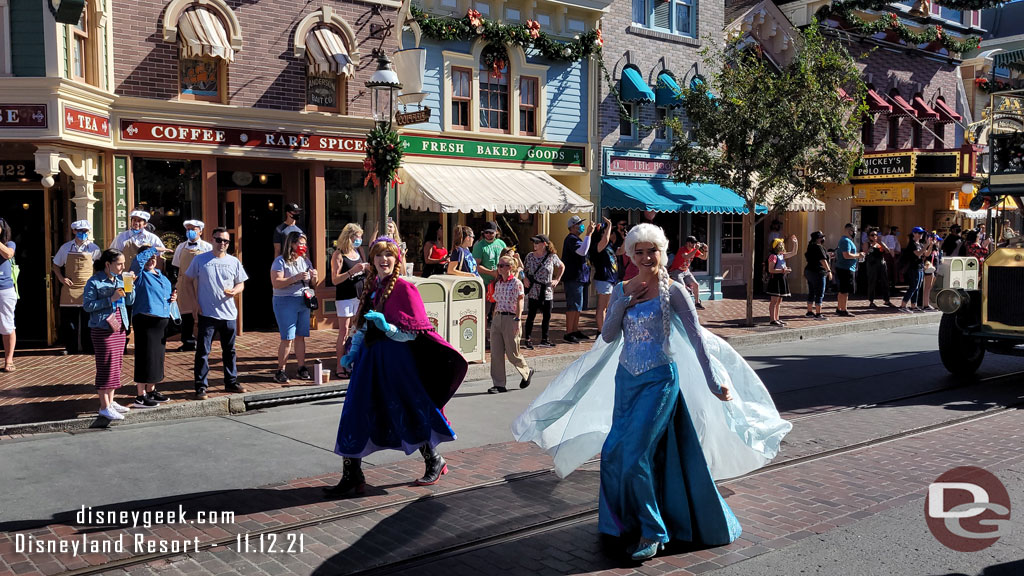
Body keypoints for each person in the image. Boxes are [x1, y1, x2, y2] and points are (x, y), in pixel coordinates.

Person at [514, 223, 791, 562]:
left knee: (635, 456)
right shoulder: (621, 289)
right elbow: (609, 337)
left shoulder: (673, 290)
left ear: (662, 251)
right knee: (614, 452)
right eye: (639, 251)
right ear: (630, 254)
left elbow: (697, 337)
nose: (646, 257)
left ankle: (653, 530)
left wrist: (712, 379)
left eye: (652, 250)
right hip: (626, 380)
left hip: (659, 380)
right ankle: (623, 521)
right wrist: (620, 305)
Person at [325, 237, 468, 497]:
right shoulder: (371, 288)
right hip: (368, 362)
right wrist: (352, 353)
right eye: (379, 255)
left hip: (396, 362)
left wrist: (388, 327)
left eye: (389, 255)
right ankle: (352, 474)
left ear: (397, 259)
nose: (384, 260)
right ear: (373, 261)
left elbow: (413, 333)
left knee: (408, 409)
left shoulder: (405, 289)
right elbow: (362, 327)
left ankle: (434, 459)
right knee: (356, 412)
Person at [185, 227, 249, 399]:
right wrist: (194, 303)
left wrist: (235, 290)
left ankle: (231, 381)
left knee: (230, 351)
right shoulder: (201, 260)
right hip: (207, 313)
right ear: (212, 240)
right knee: (203, 352)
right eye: (219, 240)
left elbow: (241, 283)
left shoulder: (233, 261)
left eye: (226, 241)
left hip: (229, 314)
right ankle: (201, 386)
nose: (222, 243)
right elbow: (187, 280)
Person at [82, 249, 136, 420]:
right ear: (107, 264)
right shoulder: (94, 281)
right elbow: (88, 306)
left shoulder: (119, 279)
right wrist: (109, 299)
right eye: (119, 264)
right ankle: (104, 406)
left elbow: (129, 301)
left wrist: (130, 287)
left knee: (116, 365)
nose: (122, 267)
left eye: (123, 264)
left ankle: (111, 402)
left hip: (119, 326)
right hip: (102, 328)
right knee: (105, 365)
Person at [129, 246, 176, 408]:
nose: (152, 260)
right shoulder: (139, 274)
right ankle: (140, 395)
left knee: (156, 358)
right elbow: (137, 262)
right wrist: (154, 249)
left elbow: (165, 295)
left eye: (154, 258)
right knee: (144, 356)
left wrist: (172, 298)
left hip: (161, 321)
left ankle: (151, 390)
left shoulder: (161, 275)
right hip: (145, 320)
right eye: (149, 257)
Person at [270, 231, 317, 383]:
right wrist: (295, 278)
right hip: (285, 301)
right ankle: (280, 370)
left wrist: (314, 277)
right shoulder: (280, 261)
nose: (303, 246)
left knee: (301, 336)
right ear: (291, 244)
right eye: (300, 243)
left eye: (304, 243)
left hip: (303, 300)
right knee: (287, 337)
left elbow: (312, 283)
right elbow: (276, 282)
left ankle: (301, 367)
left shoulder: (306, 261)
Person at [52, 220, 102, 355]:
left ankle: (88, 347)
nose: (83, 234)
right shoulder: (65, 248)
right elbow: (55, 265)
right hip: (70, 289)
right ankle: (70, 347)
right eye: (80, 231)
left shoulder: (94, 249)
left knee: (88, 319)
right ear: (74, 231)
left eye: (85, 231)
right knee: (69, 320)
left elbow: (100, 269)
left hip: (88, 288)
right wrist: (62, 279)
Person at [487, 255, 535, 394]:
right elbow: (496, 302)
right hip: (498, 318)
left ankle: (526, 371)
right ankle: (499, 384)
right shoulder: (499, 283)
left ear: (511, 267)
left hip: (510, 318)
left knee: (512, 352)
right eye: (499, 265)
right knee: (496, 353)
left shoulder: (516, 283)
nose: (499, 268)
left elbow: (520, 301)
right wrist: (494, 318)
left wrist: (518, 320)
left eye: (503, 265)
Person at [332, 223, 370, 378]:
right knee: (344, 330)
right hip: (345, 296)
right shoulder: (339, 254)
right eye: (357, 237)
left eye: (360, 237)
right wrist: (352, 271)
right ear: (349, 237)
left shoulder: (358, 251)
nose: (359, 240)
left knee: (359, 330)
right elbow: (335, 279)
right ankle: (340, 365)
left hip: (359, 296)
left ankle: (354, 361)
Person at [171, 220, 212, 352]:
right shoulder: (181, 247)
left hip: (201, 282)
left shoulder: (207, 247)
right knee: (186, 313)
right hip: (184, 283)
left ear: (200, 231)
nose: (190, 231)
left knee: (203, 312)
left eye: (193, 229)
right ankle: (187, 341)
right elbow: (175, 266)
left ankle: (204, 341)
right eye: (188, 229)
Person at [522, 234, 563, 350]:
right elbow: (522, 270)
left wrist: (557, 279)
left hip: (547, 290)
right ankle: (527, 339)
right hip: (534, 289)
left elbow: (561, 266)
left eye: (537, 243)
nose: (534, 245)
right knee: (531, 316)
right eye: (534, 243)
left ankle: (545, 338)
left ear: (544, 244)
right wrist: (524, 278)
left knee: (547, 316)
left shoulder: (551, 256)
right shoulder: (530, 256)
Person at [562, 215, 594, 343]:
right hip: (573, 277)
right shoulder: (571, 239)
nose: (581, 226)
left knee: (578, 306)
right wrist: (588, 234)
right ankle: (569, 332)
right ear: (572, 227)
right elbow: (582, 251)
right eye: (578, 224)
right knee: (573, 305)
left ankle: (575, 329)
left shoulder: (577, 239)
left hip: (581, 277)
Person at [589, 216, 619, 331]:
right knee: (602, 306)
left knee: (608, 307)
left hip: (611, 279)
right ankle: (601, 331)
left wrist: (625, 237)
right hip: (603, 278)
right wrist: (609, 225)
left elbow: (621, 250)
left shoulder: (609, 246)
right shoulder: (597, 246)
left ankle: (604, 328)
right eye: (605, 231)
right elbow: (605, 240)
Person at [473, 222, 507, 315]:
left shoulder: (501, 243)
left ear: (496, 232)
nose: (488, 235)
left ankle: (496, 328)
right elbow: (475, 266)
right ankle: (484, 328)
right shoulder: (479, 246)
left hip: (500, 282)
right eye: (486, 232)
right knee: (484, 311)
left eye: (491, 233)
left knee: (499, 310)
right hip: (486, 283)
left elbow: (506, 259)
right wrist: (491, 273)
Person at [899, 227, 934, 313]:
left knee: (917, 287)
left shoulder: (920, 244)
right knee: (913, 287)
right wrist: (926, 245)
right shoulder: (912, 244)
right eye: (919, 233)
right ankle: (903, 305)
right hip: (913, 268)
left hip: (920, 267)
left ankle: (913, 306)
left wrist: (930, 245)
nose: (920, 235)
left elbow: (926, 254)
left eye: (921, 233)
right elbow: (918, 253)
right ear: (914, 234)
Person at [765, 235, 799, 326]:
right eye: (780, 245)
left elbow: (793, 253)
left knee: (779, 301)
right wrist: (783, 270)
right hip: (775, 279)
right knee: (774, 300)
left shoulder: (781, 255)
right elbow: (771, 270)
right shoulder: (773, 256)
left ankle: (777, 318)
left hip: (782, 279)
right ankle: (772, 319)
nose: (782, 246)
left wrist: (795, 243)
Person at [668, 236, 709, 309]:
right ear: (687, 243)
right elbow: (686, 257)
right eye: (692, 243)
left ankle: (697, 303)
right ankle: (683, 305)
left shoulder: (694, 250)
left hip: (686, 271)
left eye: (695, 243)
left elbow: (704, 257)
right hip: (676, 271)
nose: (693, 245)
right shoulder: (682, 250)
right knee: (682, 288)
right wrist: (696, 248)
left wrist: (706, 250)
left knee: (696, 285)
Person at [835, 223, 862, 317]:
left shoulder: (846, 240)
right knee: (845, 291)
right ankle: (843, 309)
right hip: (846, 268)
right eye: (853, 230)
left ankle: (839, 308)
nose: (854, 233)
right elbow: (846, 255)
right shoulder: (845, 241)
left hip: (846, 267)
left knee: (842, 290)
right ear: (848, 230)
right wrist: (858, 255)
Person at [862, 228, 894, 308]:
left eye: (876, 235)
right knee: (872, 282)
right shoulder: (867, 244)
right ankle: (871, 300)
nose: (874, 237)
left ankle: (887, 300)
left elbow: (887, 251)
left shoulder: (880, 243)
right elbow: (864, 253)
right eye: (872, 235)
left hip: (881, 264)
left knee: (885, 281)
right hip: (872, 264)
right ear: (869, 236)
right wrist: (871, 247)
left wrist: (881, 243)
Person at [0, 219, 16, 372]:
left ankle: (8, 360)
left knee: (7, 324)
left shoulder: (9, 244)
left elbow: (8, 254)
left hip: (4, 289)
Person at [804, 231, 831, 319]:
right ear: (819, 239)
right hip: (818, 272)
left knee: (811, 291)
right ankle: (818, 313)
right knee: (819, 293)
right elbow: (822, 260)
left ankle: (809, 311)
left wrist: (828, 256)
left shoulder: (810, 246)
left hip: (809, 270)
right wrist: (829, 271)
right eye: (822, 237)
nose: (823, 239)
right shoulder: (819, 247)